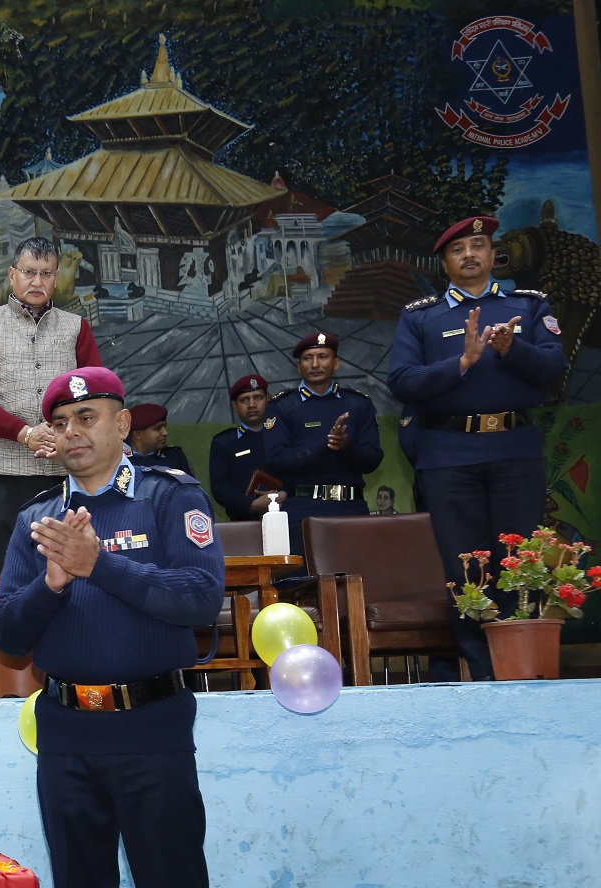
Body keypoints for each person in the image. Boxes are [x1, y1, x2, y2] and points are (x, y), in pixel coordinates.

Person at [0, 366, 251, 888]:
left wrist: (104, 564)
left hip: (152, 730)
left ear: (122, 422)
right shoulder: (38, 519)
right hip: (67, 735)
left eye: (88, 416)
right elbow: (5, 633)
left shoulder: (171, 499)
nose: (73, 432)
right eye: (60, 421)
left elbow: (199, 601)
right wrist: (55, 582)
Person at [387, 214, 567, 680]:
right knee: (466, 570)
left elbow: (553, 368)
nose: (469, 254)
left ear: (493, 254)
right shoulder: (421, 316)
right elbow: (402, 382)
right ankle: (485, 674)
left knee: (519, 565)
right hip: (448, 456)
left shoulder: (527, 306)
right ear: (443, 262)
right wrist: (462, 362)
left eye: (479, 244)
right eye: (458, 249)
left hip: (515, 453)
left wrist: (512, 349)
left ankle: (523, 671)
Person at [0, 235, 103, 578]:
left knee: (73, 576)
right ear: (12, 275)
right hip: (2, 477)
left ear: (56, 278)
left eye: (47, 274)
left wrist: (67, 432)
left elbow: (96, 398)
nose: (37, 282)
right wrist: (24, 433)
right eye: (29, 272)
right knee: (12, 579)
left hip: (66, 474)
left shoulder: (76, 328)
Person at [264, 331, 382, 552]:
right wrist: (325, 445)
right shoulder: (281, 406)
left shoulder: (358, 404)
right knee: (304, 583)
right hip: (302, 509)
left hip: (351, 507)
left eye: (323, 356)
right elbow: (275, 458)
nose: (315, 364)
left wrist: (346, 447)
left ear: (336, 363)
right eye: (308, 358)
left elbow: (373, 459)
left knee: (357, 579)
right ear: (299, 367)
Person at [206, 375, 281, 522]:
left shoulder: (283, 436)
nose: (252, 405)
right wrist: (251, 505)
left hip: (287, 518)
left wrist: (282, 495)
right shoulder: (223, 442)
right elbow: (220, 487)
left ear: (268, 400)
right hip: (243, 523)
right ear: (235, 406)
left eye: (258, 397)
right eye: (244, 400)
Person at [126, 403, 194, 473]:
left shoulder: (175, 457)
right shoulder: (118, 458)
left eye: (165, 427)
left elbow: (189, 483)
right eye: (158, 428)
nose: (165, 433)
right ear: (138, 434)